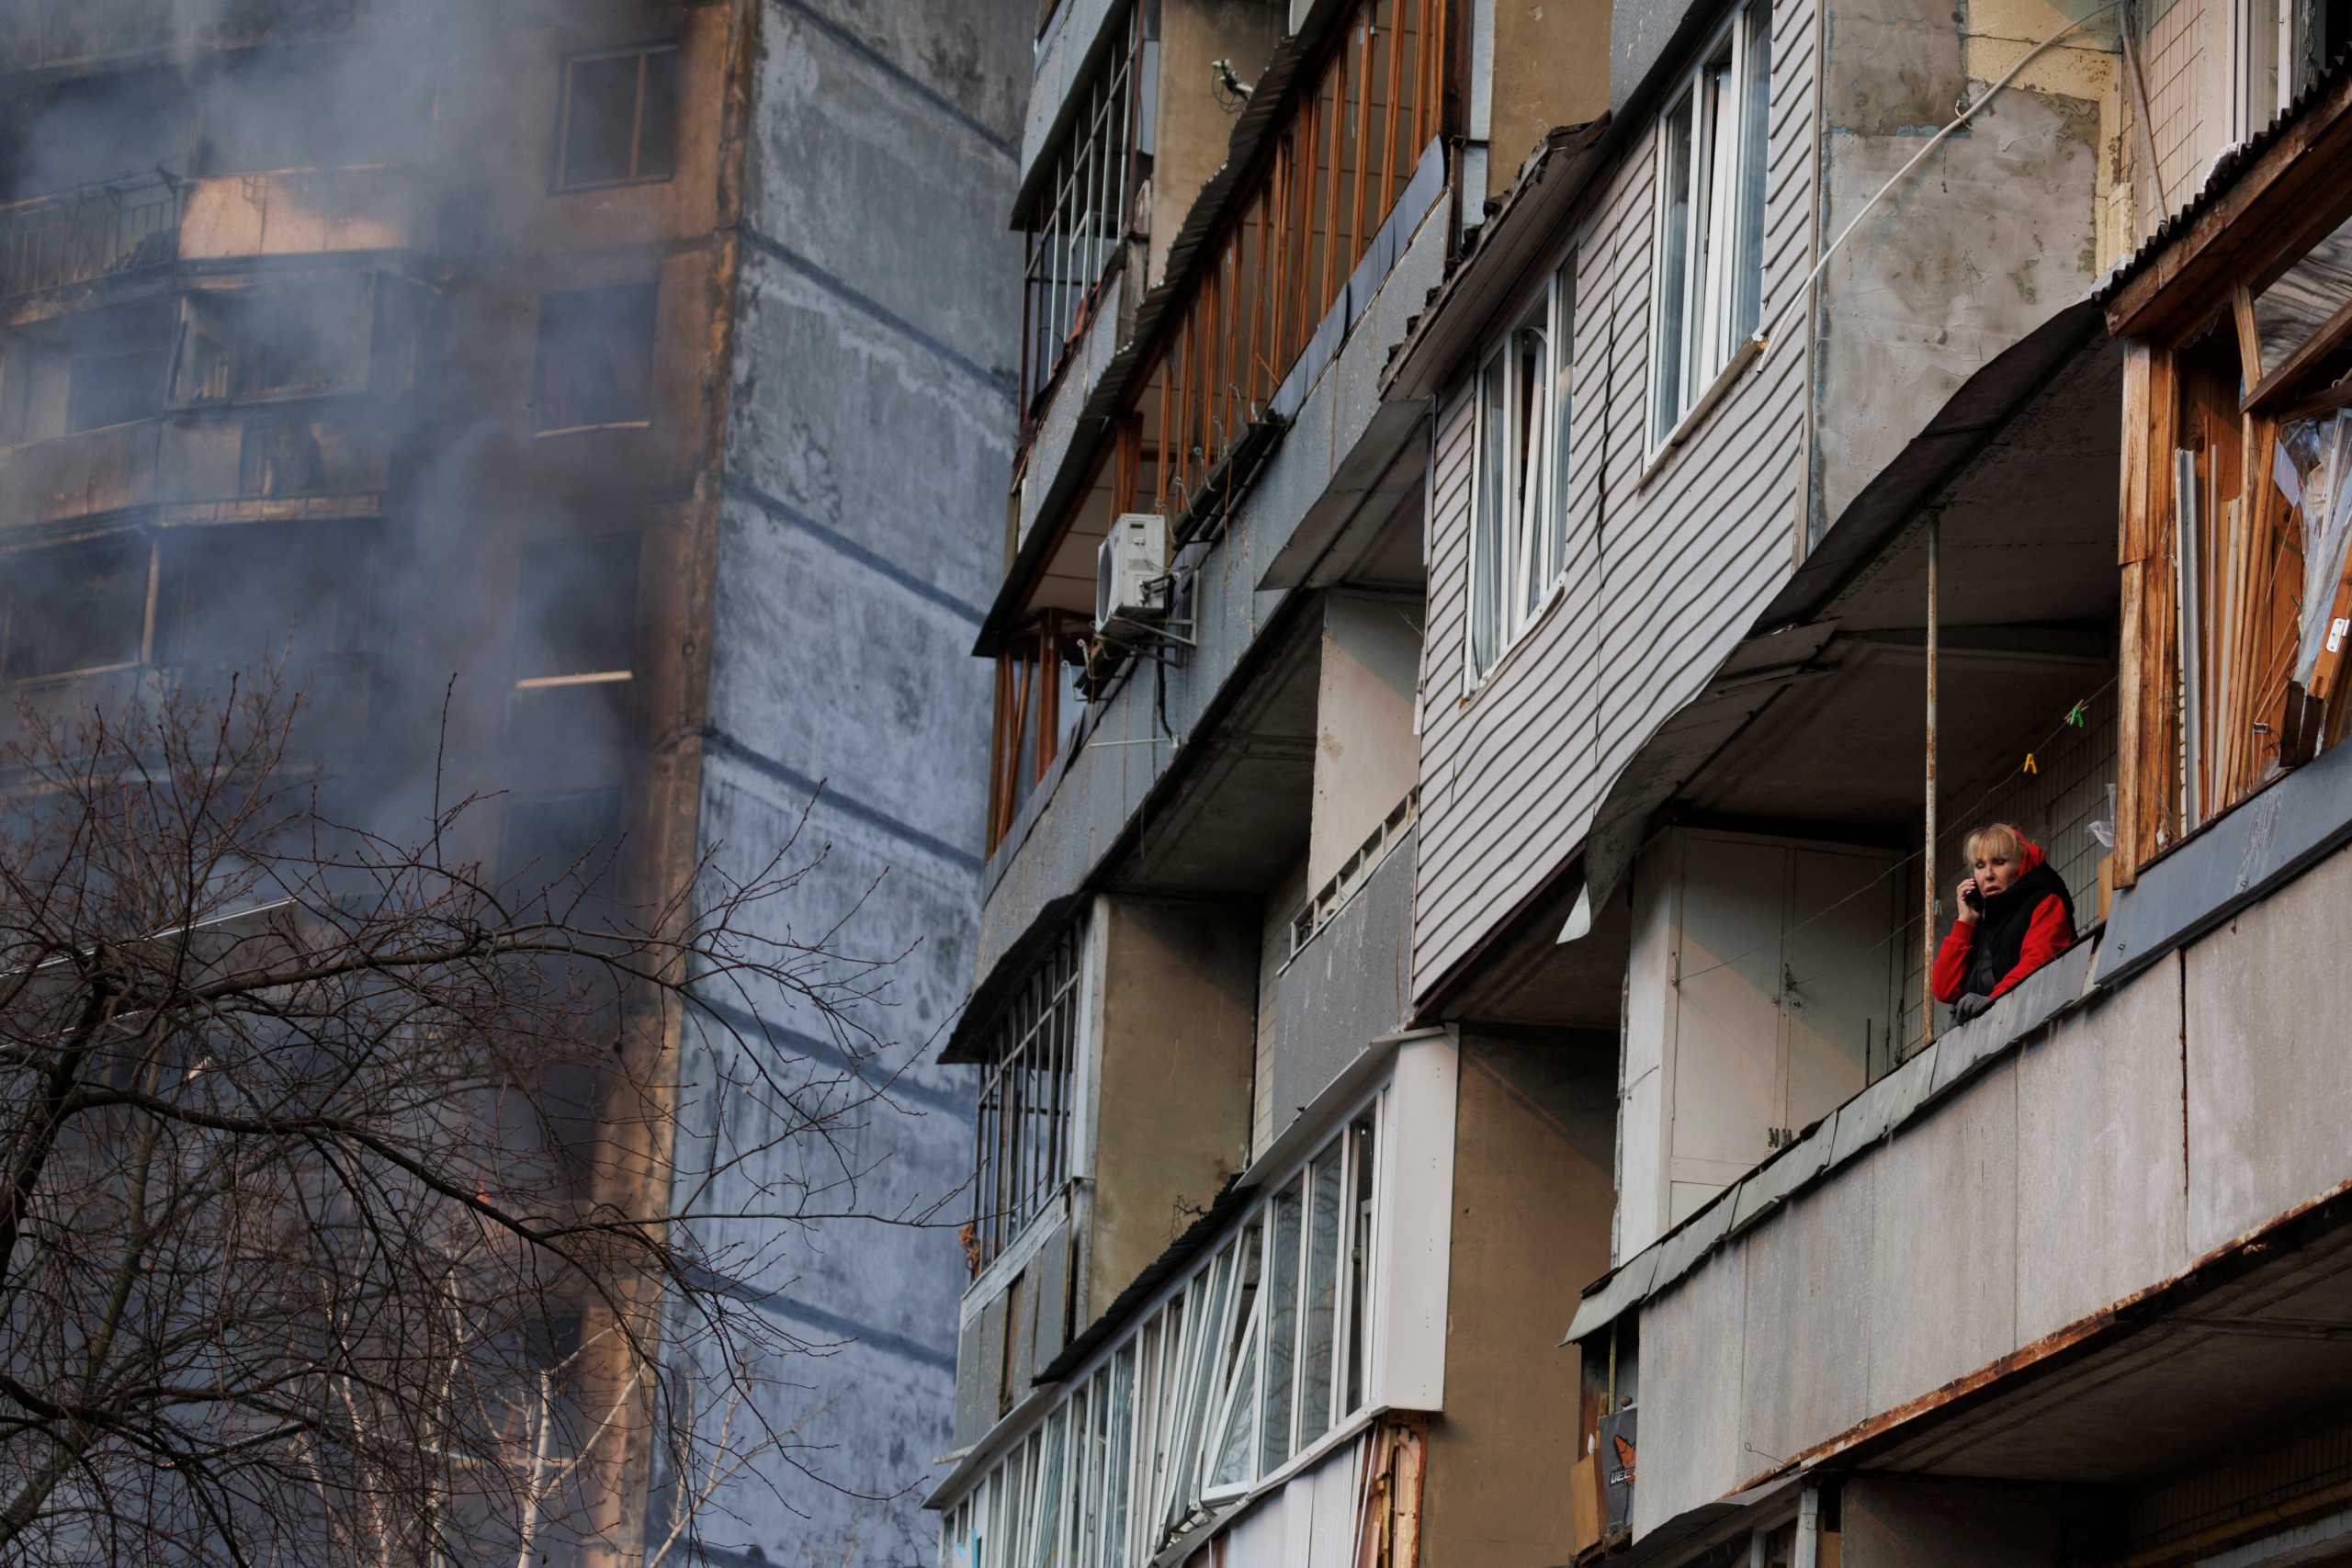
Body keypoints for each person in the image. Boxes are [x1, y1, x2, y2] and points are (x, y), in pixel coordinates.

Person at [1930, 823, 2075, 1023]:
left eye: (1999, 862)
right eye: (1979, 866)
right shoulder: (1980, 918)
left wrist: (1992, 1001)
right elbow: (1943, 989)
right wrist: (1964, 922)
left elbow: (2036, 965)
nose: (1988, 874)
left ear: (2020, 866)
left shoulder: (2045, 903)